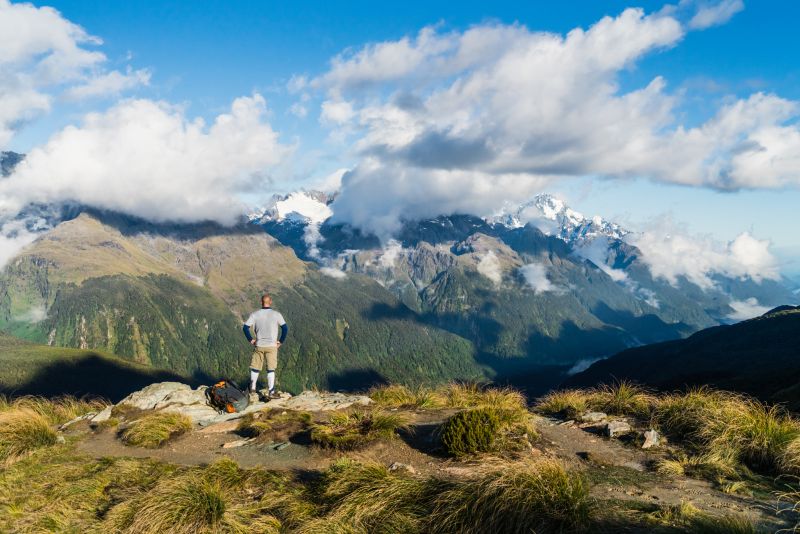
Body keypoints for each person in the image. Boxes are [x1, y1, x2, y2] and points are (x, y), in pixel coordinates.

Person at [243, 294, 288, 401]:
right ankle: (271, 391)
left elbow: (245, 328)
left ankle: (253, 388)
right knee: (271, 369)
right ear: (270, 302)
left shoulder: (255, 314)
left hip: (259, 345)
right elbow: (285, 329)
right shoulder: (277, 314)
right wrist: (280, 342)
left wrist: (251, 340)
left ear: (261, 302)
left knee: (255, 367)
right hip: (272, 346)